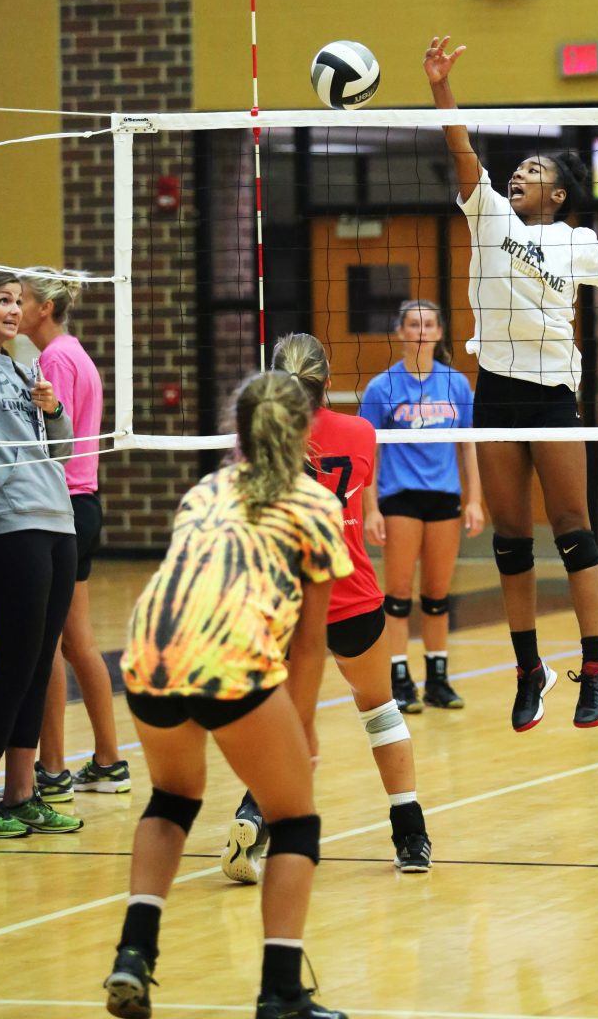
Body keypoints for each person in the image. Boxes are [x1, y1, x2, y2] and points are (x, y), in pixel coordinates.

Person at [423, 36, 598, 731]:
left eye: (533, 170)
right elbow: (461, 148)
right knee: (511, 540)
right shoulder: (485, 213)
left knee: (573, 530)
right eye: (516, 167)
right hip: (495, 393)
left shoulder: (577, 241)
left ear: (557, 192)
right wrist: (439, 89)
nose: (518, 173)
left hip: (551, 395)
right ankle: (528, 668)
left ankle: (595, 667)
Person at [103, 370, 352, 1019]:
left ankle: (134, 956)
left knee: (171, 798)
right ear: (305, 429)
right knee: (294, 821)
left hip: (146, 655)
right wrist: (301, 728)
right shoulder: (316, 505)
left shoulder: (204, 490)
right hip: (228, 655)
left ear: (238, 430)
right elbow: (308, 642)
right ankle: (280, 994)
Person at [221, 333, 432, 887]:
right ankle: (410, 834)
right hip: (352, 593)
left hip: (283, 601)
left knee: (286, 720)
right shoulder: (361, 432)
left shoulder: (256, 436)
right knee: (380, 711)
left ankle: (252, 814)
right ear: (327, 379)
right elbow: (359, 494)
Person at [19, 267, 130, 803]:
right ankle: (109, 760)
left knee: (47, 647)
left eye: (21, 299)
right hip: (83, 504)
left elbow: (50, 440)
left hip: (61, 505)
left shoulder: (55, 359)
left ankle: (55, 769)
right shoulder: (75, 352)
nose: (14, 307)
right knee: (78, 643)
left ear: (44, 308)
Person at [0, 268, 82, 837]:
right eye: (2, 299)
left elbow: (65, 450)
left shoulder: (26, 366)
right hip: (9, 524)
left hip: (57, 520)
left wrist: (50, 409)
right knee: (16, 662)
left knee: (40, 663)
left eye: (19, 302)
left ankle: (22, 794)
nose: (15, 310)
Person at [359, 299, 485, 713]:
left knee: (436, 595)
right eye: (413, 324)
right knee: (397, 595)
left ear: (439, 332)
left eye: (429, 323)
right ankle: (399, 680)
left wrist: (475, 500)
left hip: (444, 497)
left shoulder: (456, 384)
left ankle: (438, 680)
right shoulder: (382, 387)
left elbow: (468, 445)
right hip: (400, 498)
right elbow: (367, 453)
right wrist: (371, 508)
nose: (421, 331)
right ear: (400, 332)